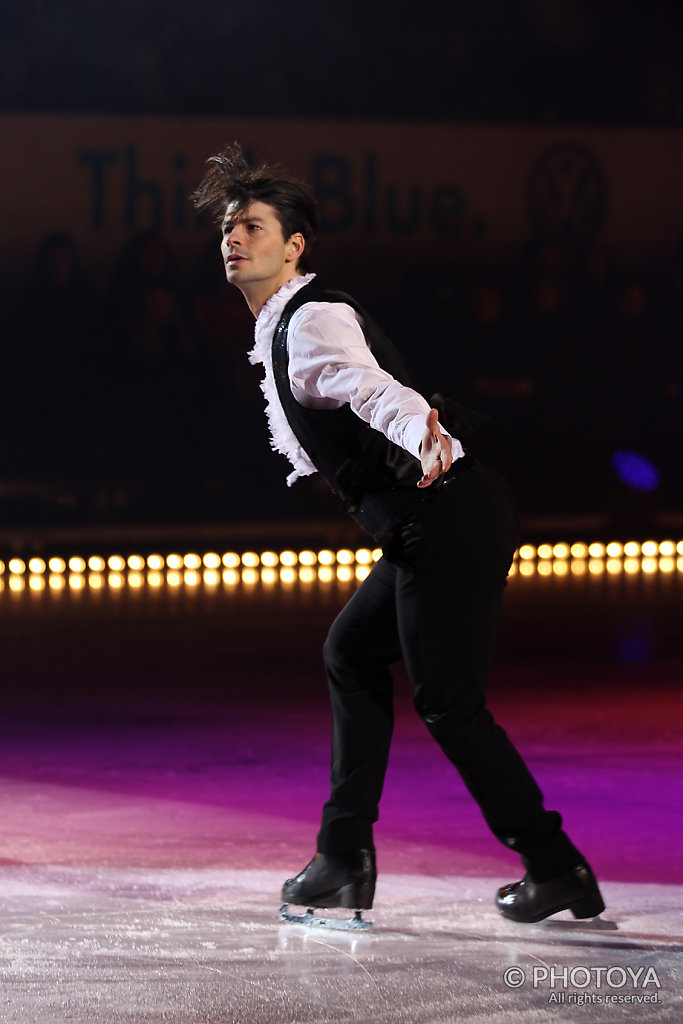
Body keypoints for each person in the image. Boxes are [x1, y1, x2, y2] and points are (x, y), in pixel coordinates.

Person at [193, 144, 605, 925]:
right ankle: (342, 855)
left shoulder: (311, 321)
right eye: (226, 229)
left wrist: (423, 433)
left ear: (294, 246)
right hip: (433, 519)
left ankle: (553, 866)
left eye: (251, 225)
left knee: (448, 703)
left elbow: (371, 387)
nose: (232, 240)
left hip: (446, 511)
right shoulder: (282, 330)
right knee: (349, 653)